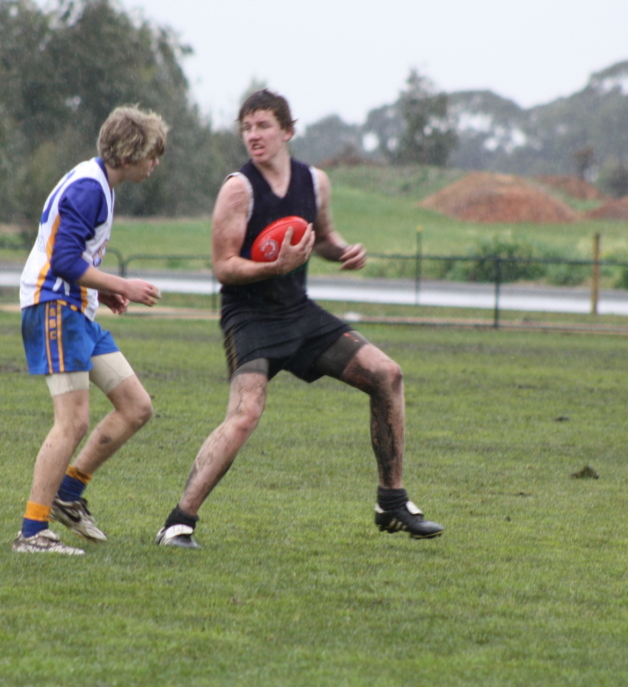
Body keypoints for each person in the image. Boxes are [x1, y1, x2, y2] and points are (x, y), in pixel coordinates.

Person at [155, 90, 442, 549]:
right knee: (246, 413)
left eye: (263, 125)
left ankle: (392, 502)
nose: (253, 135)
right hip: (248, 316)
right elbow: (224, 266)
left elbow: (321, 237)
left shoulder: (316, 182)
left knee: (387, 374)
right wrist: (273, 267)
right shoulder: (238, 189)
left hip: (299, 312)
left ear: (287, 130)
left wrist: (343, 250)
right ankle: (177, 522)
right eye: (246, 127)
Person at [12, 105, 167, 554]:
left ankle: (69, 492)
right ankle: (32, 532)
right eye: (151, 153)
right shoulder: (88, 187)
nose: (155, 162)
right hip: (54, 307)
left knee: (136, 406)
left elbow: (78, 258)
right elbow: (62, 261)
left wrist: (105, 292)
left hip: (78, 308)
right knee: (73, 421)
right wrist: (124, 285)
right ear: (128, 152)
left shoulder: (101, 184)